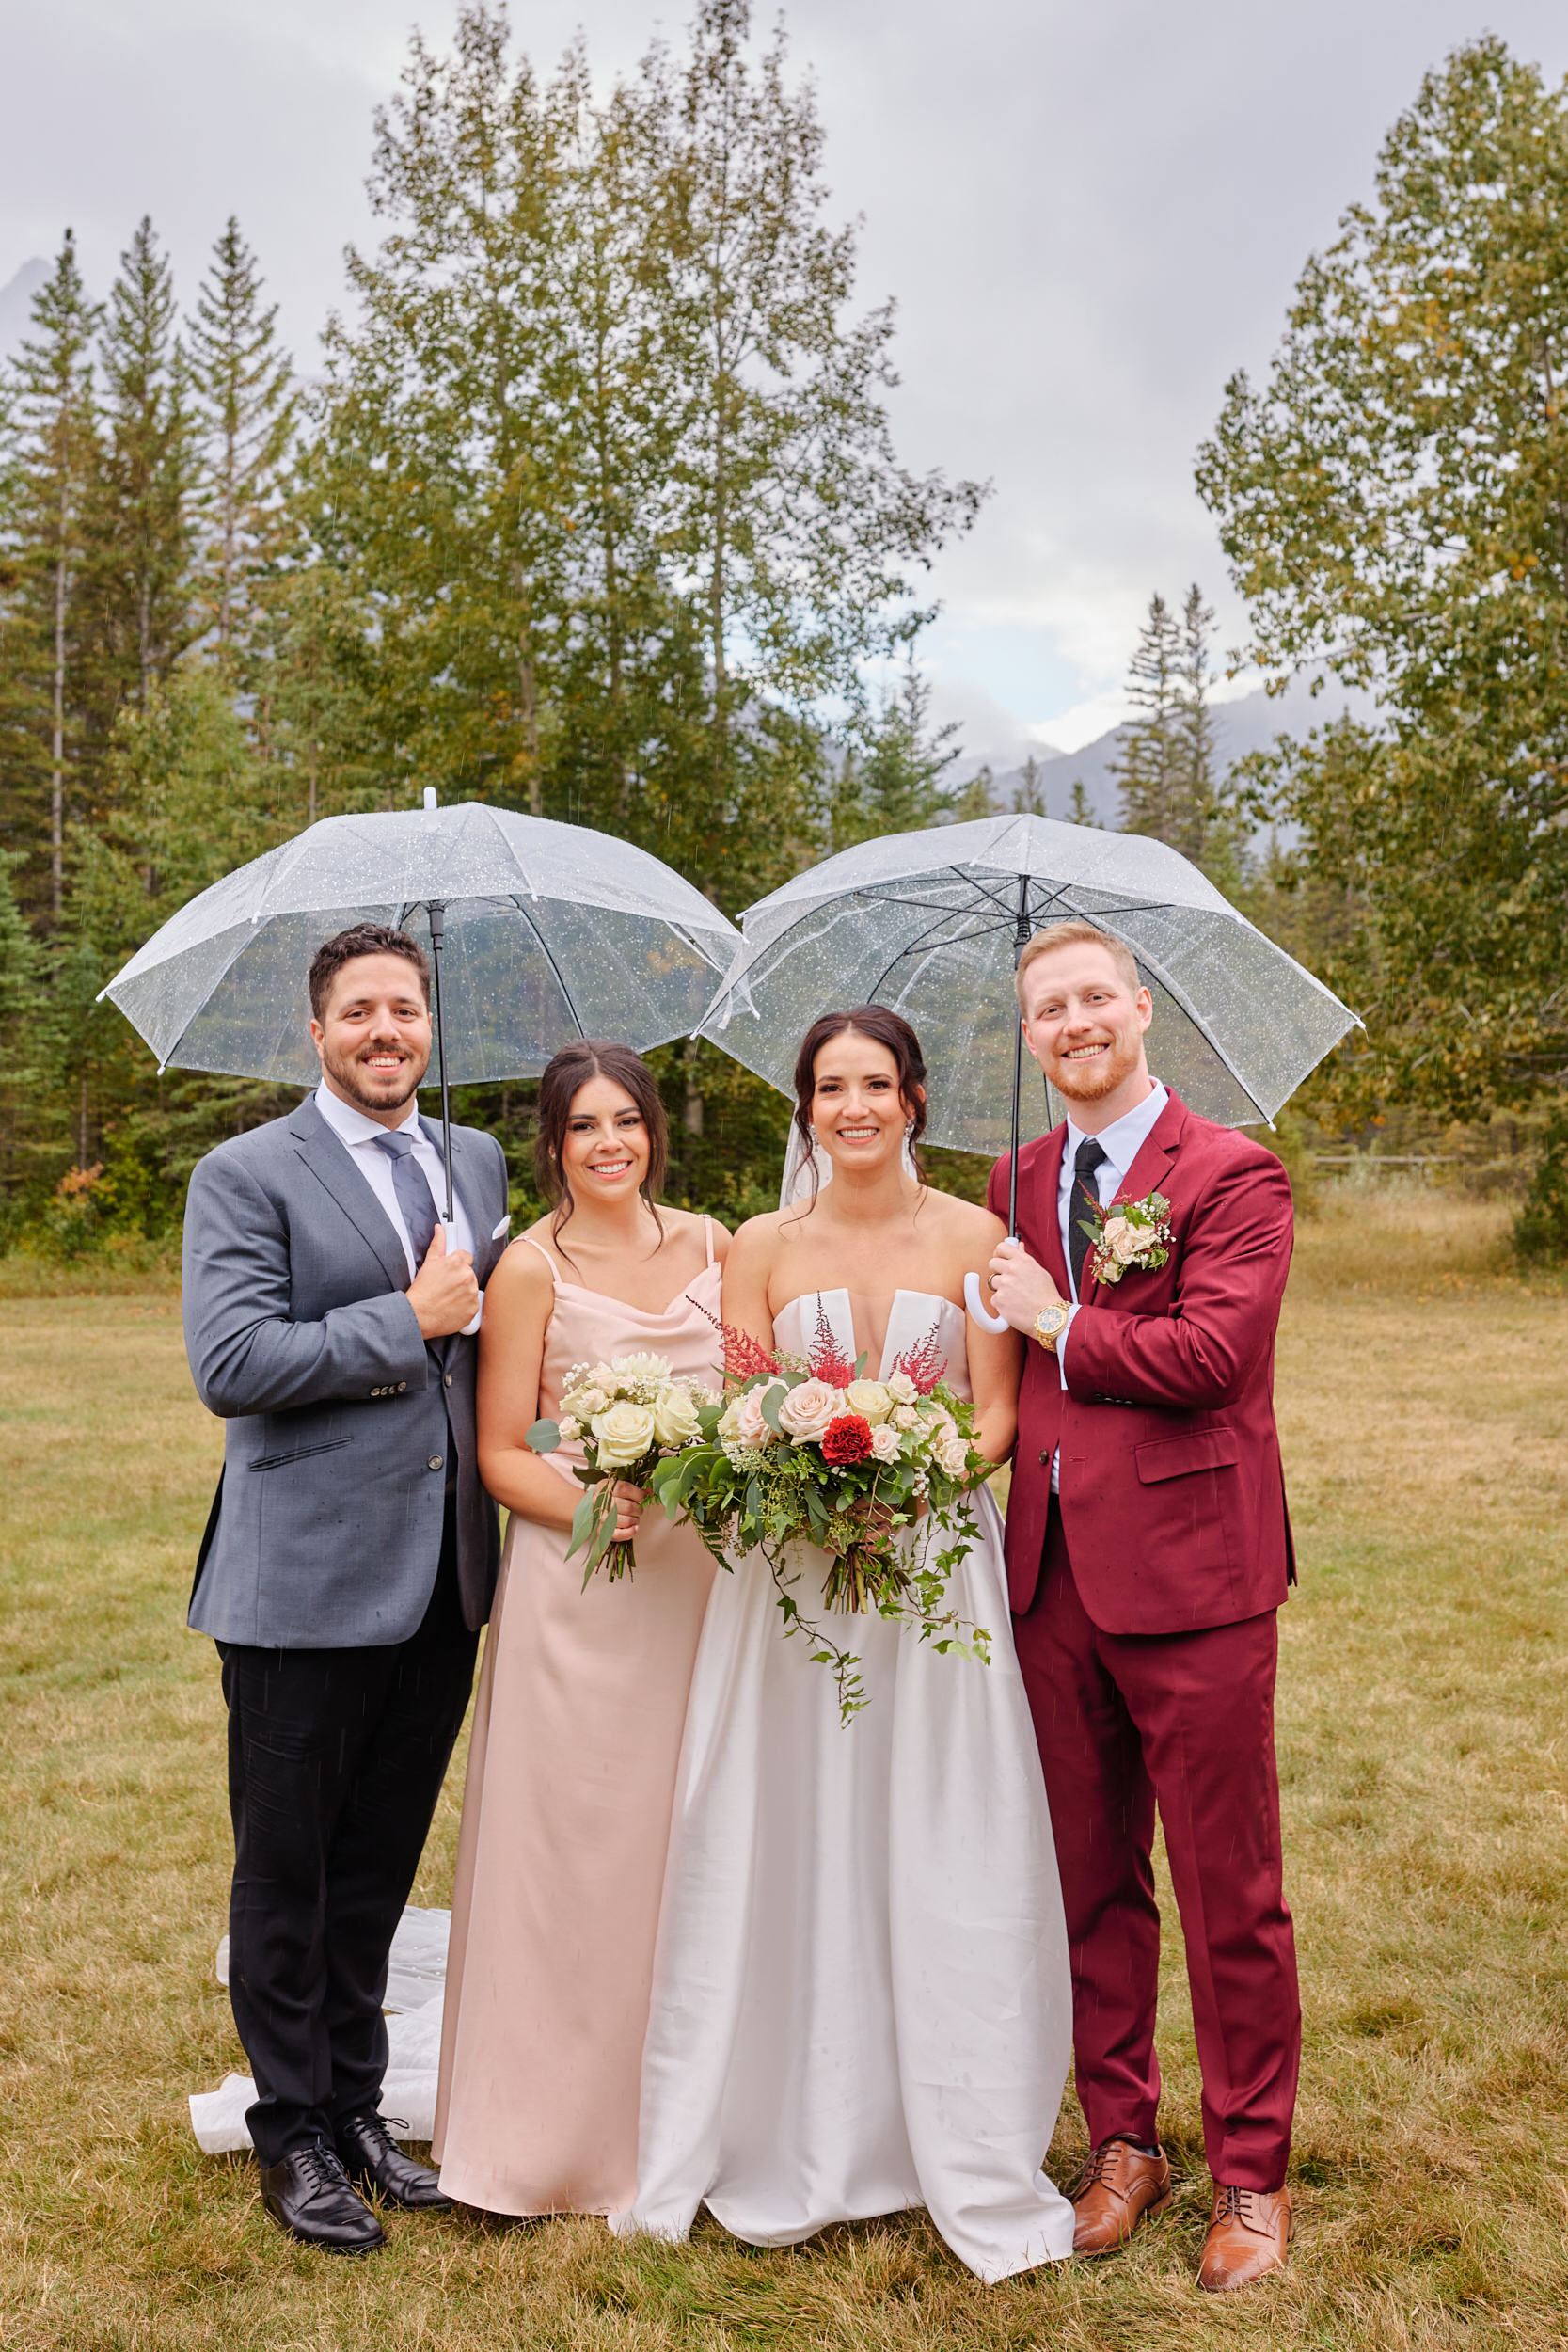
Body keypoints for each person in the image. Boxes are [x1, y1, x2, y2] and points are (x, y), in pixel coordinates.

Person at [619, 1006, 1075, 2284]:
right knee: (793, 1816)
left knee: (933, 1821)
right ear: (805, 1107)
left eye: (875, 1082)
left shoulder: (978, 1239)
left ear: (914, 1097)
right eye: (830, 1086)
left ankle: (949, 2112)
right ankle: (784, 2108)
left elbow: (990, 1416)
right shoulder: (758, 1244)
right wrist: (808, 1476)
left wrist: (915, 1476)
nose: (853, 1106)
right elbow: (743, 1406)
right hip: (793, 1579)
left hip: (930, 1568)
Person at [182, 922, 510, 2254]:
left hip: (440, 1577)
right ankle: (292, 2133)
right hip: (299, 1585)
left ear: (429, 1026)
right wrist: (408, 1321)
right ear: (316, 1034)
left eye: (406, 1008)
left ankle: (361, 2107)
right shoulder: (245, 1172)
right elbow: (233, 1361)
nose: (387, 1030)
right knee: (288, 1872)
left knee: (376, 1865)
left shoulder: (472, 1161)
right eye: (359, 1012)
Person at [984, 917, 1300, 2295]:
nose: (1072, 1023)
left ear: (1139, 1008)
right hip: (1048, 1573)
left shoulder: (1231, 1172)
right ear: (1026, 1036)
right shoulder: (1011, 1177)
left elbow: (1210, 1356)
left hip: (1192, 1578)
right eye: (1045, 1008)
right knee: (1089, 1878)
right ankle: (1122, 2137)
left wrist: (1055, 1320)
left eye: (1091, 997)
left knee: (1226, 1884)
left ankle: (1249, 2170)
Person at [432, 1041, 727, 2218]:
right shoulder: (527, 1267)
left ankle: (694, 2112)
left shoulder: (720, 1243)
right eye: (583, 1126)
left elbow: (751, 1400)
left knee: (694, 1844)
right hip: (582, 1590)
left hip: (703, 1584)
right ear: (552, 1145)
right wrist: (596, 1504)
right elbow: (505, 1447)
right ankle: (553, 2137)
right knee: (577, 1861)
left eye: (628, 1121)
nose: (609, 1143)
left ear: (654, 1130)